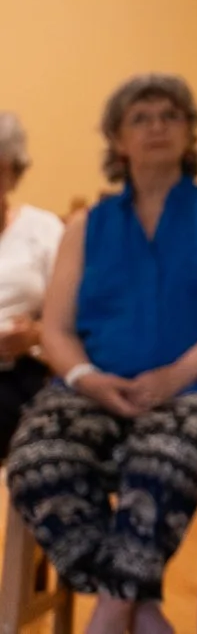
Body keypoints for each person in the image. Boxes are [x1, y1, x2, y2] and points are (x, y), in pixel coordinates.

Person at [7, 75, 197, 634]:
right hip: (98, 387)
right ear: (117, 141)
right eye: (140, 118)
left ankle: (107, 617)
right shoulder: (86, 225)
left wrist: (177, 376)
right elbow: (56, 330)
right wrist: (90, 380)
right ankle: (136, 606)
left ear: (191, 133)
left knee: (161, 456)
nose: (156, 127)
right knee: (36, 459)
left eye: (170, 115)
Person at [0, 113, 65, 450]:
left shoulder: (44, 230)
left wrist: (35, 336)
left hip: (16, 374)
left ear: (14, 174)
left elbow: (74, 319)